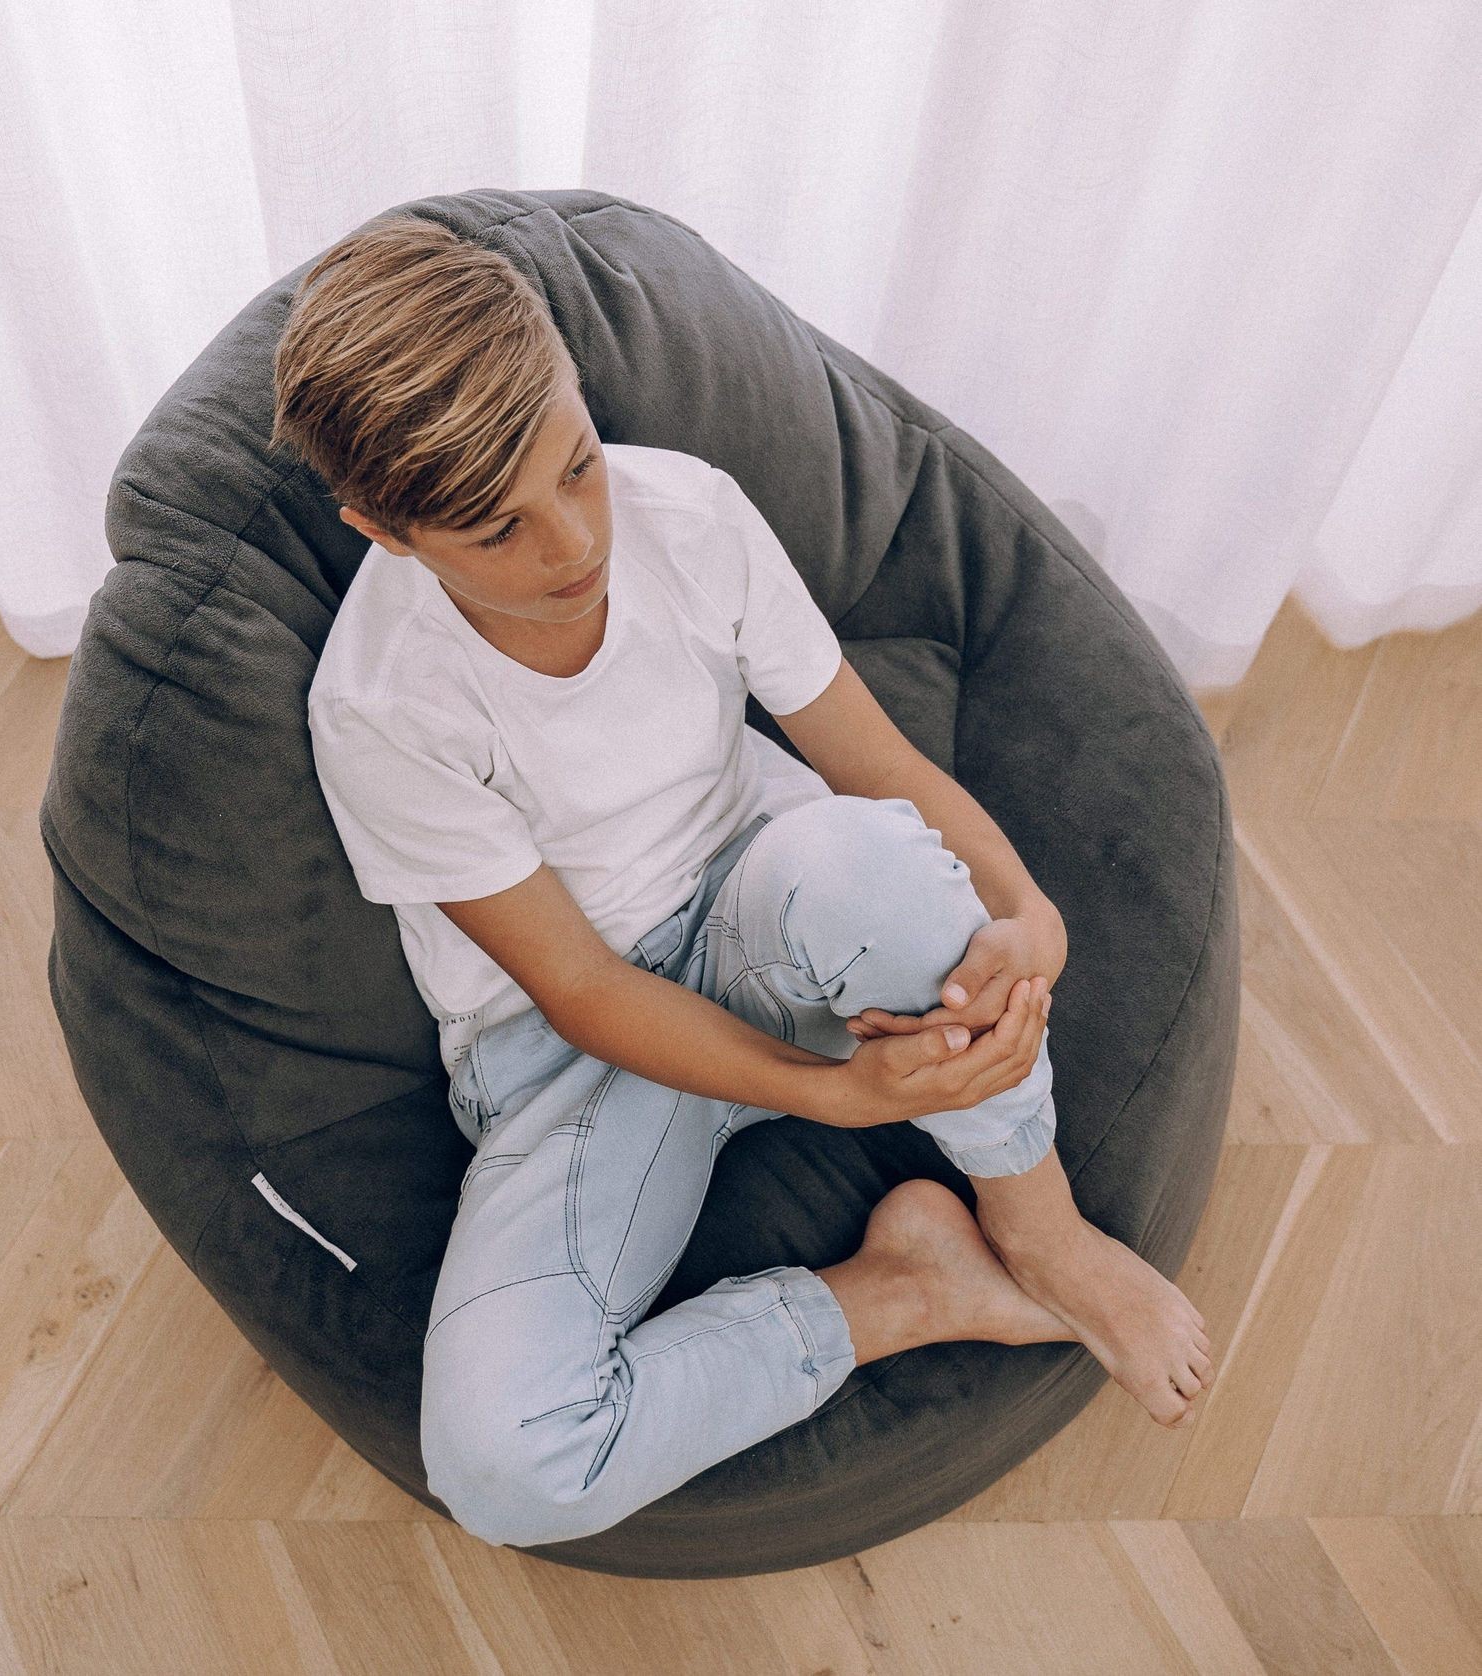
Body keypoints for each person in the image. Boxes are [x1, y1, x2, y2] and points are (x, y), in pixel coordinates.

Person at [272, 215, 1214, 1550]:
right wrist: (839, 1095)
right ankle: (900, 1291)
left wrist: (1028, 909)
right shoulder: (383, 709)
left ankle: (1043, 1230)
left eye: (577, 467)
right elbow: (588, 988)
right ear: (386, 528)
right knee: (501, 1470)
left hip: (764, 914)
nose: (570, 542)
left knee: (872, 864)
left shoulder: (690, 517)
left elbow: (875, 764)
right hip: (570, 1056)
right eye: (497, 528)